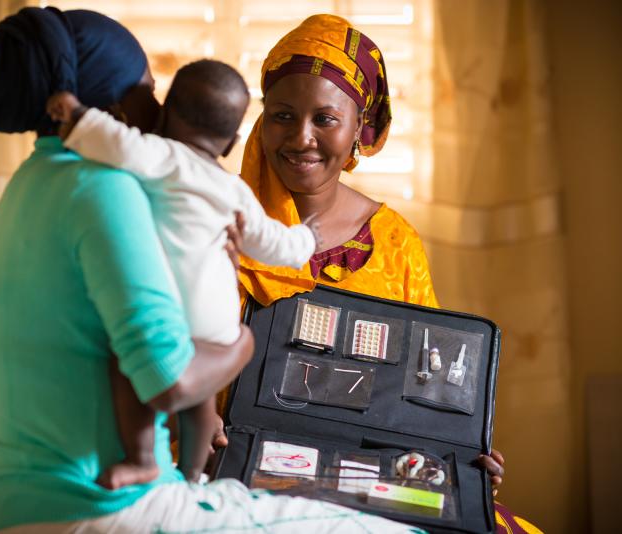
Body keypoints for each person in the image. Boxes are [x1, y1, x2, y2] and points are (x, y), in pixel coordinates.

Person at [0, 6, 418, 533]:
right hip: (99, 508)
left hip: (3, 502)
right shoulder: (108, 193)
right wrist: (247, 345)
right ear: (114, 107)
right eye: (149, 92)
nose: (158, 111)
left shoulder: (26, 187)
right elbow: (167, 379)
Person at [228, 14, 541, 534]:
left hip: (369, 472)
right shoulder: (216, 222)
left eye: (324, 119)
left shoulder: (394, 240)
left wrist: (460, 456)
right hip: (241, 465)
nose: (300, 138)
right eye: (283, 115)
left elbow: (428, 388)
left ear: (360, 130)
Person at [45, 58, 319, 487]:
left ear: (166, 113)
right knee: (200, 401)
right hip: (220, 324)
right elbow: (272, 243)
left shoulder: (163, 155)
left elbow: (115, 142)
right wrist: (305, 239)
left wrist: (75, 115)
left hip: (170, 315)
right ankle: (193, 476)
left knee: (125, 364)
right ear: (230, 143)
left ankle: (141, 459)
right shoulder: (235, 191)